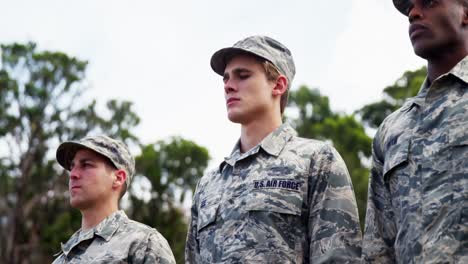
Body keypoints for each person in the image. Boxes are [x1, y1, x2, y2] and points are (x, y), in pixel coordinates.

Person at [185, 35, 362, 263]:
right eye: (226, 78)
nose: (228, 86)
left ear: (278, 85)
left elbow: (338, 257)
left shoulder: (316, 161)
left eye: (242, 75)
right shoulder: (208, 185)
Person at [363, 0, 468, 263]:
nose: (413, 13)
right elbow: (378, 249)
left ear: (466, 12)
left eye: (429, 2)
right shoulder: (393, 129)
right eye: (409, 6)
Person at [52, 135, 176, 264]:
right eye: (72, 167)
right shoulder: (61, 259)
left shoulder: (144, 244)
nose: (73, 174)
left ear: (118, 178)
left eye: (86, 165)